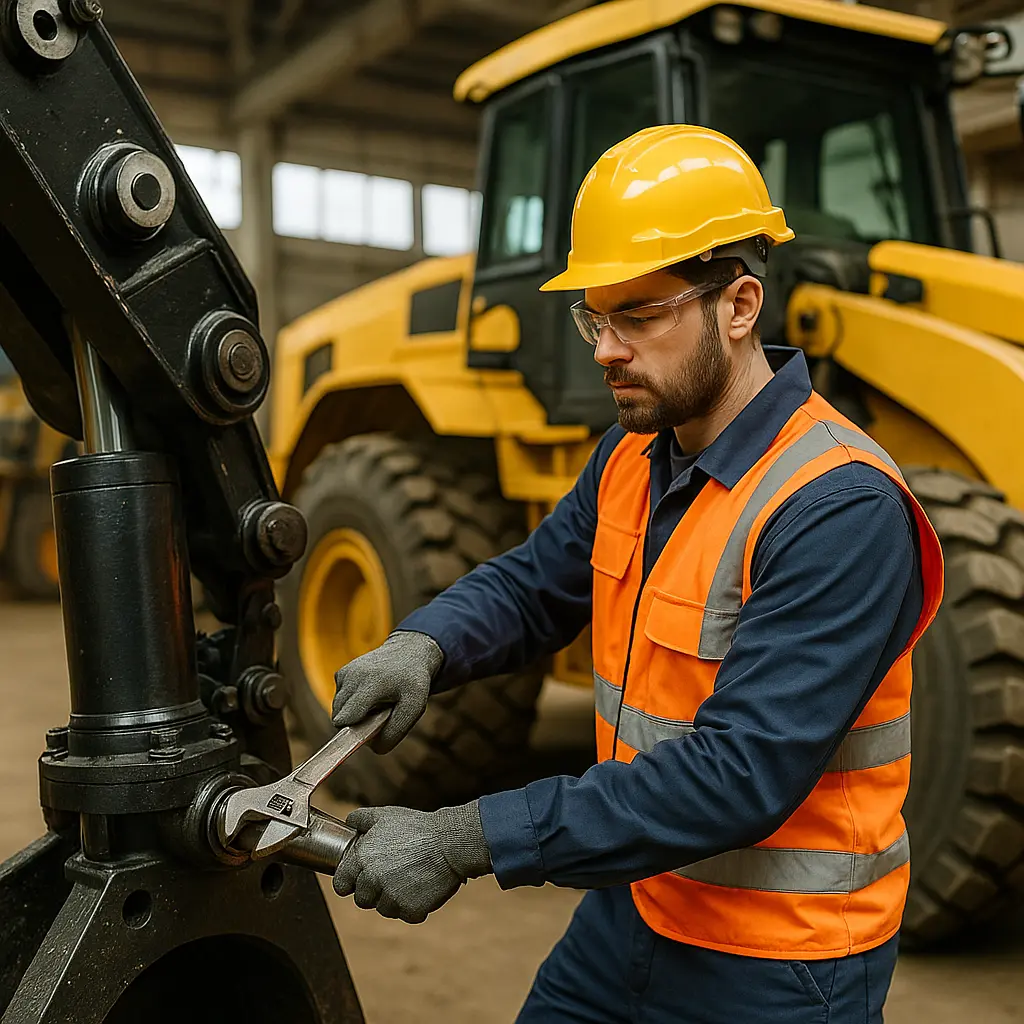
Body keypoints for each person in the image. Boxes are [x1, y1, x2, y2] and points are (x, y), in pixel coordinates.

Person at [330, 125, 944, 1023]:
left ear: (740, 305)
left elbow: (737, 774)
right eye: (594, 317)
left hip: (780, 959)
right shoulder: (633, 455)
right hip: (640, 902)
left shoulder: (837, 506)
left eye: (639, 316)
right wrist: (425, 644)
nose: (605, 349)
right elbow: (535, 585)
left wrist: (468, 838)